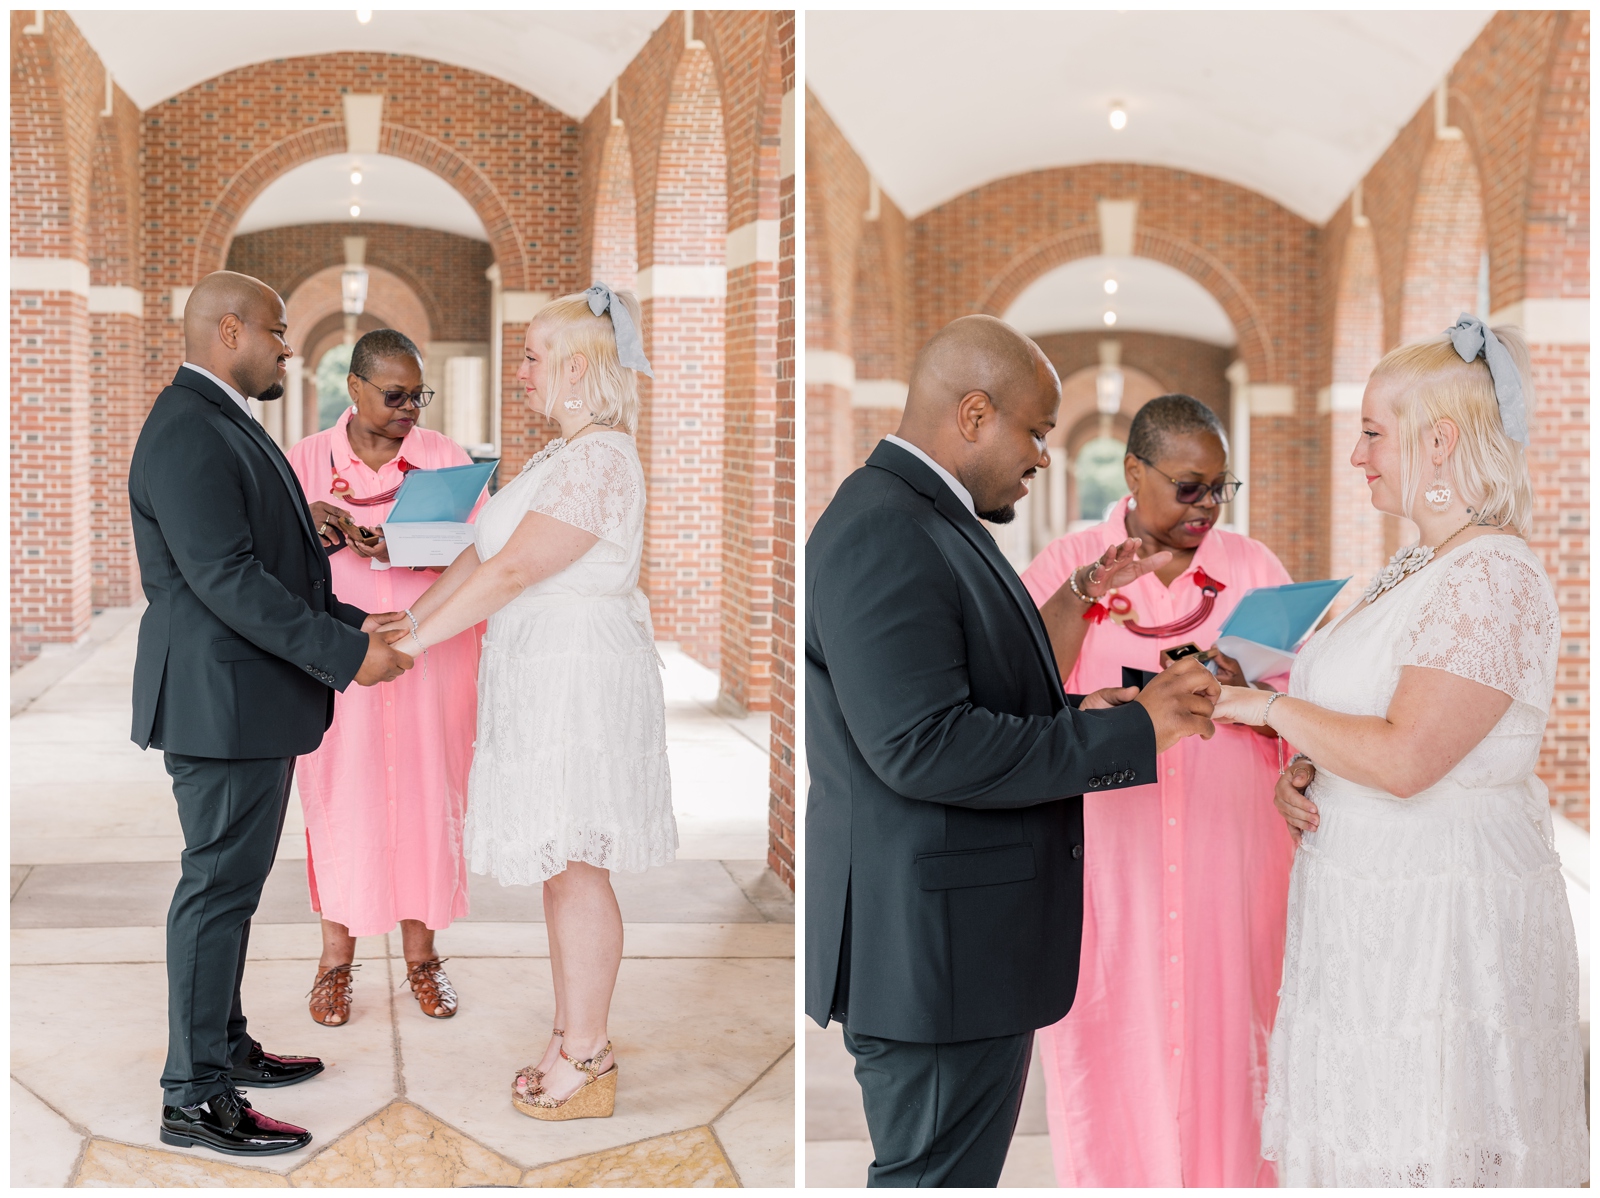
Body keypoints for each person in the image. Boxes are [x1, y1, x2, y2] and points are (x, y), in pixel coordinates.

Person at [805, 314, 1223, 1187]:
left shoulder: (928, 519)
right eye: (1035, 430)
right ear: (972, 415)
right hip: (932, 961)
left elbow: (956, 703)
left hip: (958, 952)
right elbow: (921, 746)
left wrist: (1091, 703)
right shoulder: (885, 527)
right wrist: (1134, 731)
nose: (1042, 456)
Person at [1215, 318, 1589, 1187]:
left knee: (1431, 1136)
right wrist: (1307, 765)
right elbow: (1360, 721)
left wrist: (1266, 710)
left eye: (1374, 433)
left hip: (1441, 919)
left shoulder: (1492, 575)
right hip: (1365, 903)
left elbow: (1408, 758)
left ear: (1441, 441)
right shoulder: (1415, 564)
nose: (1358, 457)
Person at [128, 271, 413, 1157]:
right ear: (228, 330)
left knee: (235, 893)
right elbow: (226, 582)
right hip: (219, 706)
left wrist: (354, 621)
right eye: (278, 332)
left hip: (244, 702)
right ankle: (193, 1097)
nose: (290, 349)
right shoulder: (186, 431)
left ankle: (223, 1045)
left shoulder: (221, 422)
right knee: (215, 893)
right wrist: (346, 656)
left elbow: (267, 562)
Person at [374, 284, 673, 1122]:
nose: (524, 374)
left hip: (579, 680)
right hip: (541, 673)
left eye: (536, 357)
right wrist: (406, 625)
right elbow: (481, 552)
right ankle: (571, 1031)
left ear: (578, 367)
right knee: (558, 865)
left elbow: (515, 571)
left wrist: (412, 647)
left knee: (577, 864)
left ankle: (589, 1053)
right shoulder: (558, 456)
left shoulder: (603, 458)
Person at [1019, 395, 1295, 1187]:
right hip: (1112, 874)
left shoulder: (1255, 573)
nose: (1207, 506)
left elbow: (1305, 722)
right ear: (1133, 472)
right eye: (1188, 486)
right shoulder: (1066, 566)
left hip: (1232, 876)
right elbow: (1020, 700)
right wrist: (1080, 601)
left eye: (1221, 488)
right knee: (1109, 1067)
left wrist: (1259, 693)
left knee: (1240, 1072)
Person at [286, 329, 485, 1027]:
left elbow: (482, 555)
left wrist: (407, 547)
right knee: (344, 798)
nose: (410, 410)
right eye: (395, 395)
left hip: (433, 659)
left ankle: (423, 958)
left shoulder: (445, 460)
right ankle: (335, 961)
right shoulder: (303, 462)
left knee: (430, 800)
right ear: (356, 388)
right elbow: (265, 567)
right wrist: (308, 530)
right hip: (343, 662)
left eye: (418, 394)